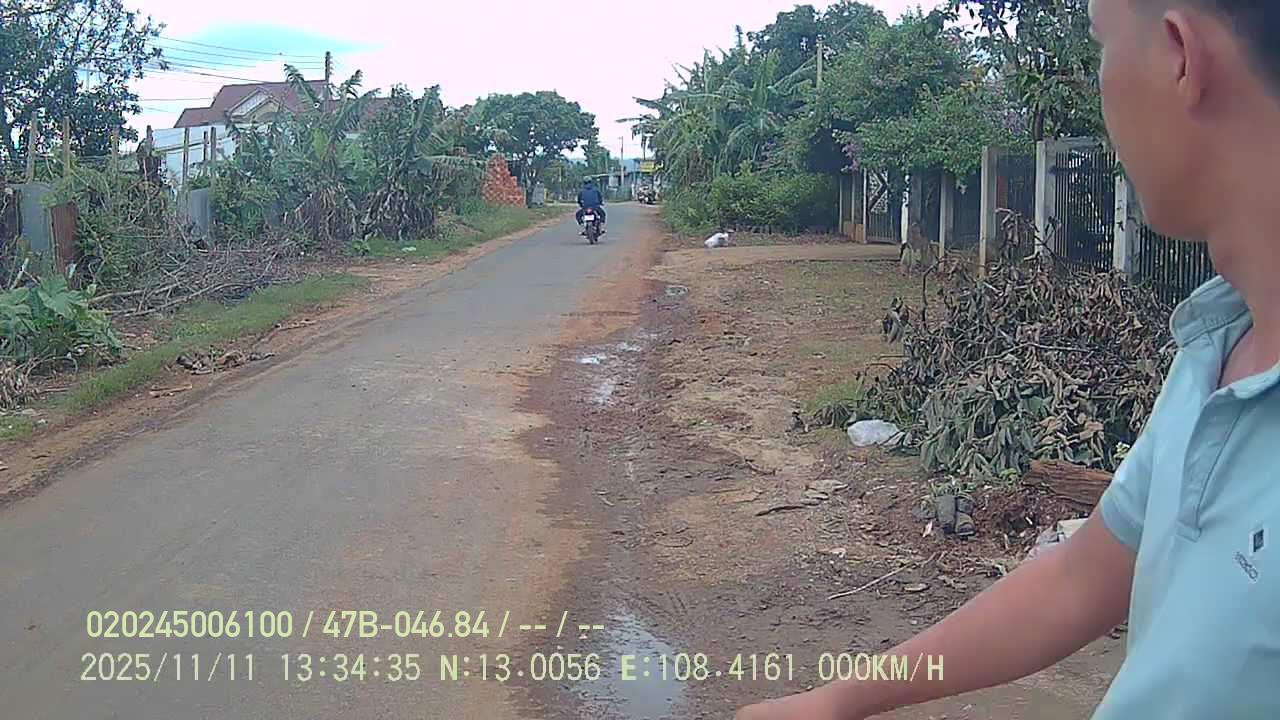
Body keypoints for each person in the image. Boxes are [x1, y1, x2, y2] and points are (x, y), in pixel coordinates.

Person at [736, 1, 1280, 718]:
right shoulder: (1215, 348)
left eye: (1102, 46)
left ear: (1179, 56)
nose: (1098, 86)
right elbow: (1079, 579)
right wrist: (836, 701)